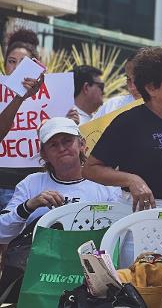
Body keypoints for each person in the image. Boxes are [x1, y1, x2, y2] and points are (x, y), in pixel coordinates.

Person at [0, 118, 120, 302]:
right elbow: (2, 232)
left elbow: (119, 235)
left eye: (67, 141)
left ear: (82, 145)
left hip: (91, 278)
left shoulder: (107, 184)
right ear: (44, 154)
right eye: (53, 145)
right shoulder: (31, 183)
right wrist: (30, 206)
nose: (62, 148)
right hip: (37, 276)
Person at [83, 46, 162, 212]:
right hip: (144, 215)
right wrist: (131, 180)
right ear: (151, 87)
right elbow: (90, 169)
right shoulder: (129, 122)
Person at [0, 29, 44, 209]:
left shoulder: (53, 93)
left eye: (23, 63)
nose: (17, 68)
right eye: (11, 61)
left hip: (29, 187)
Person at [93, 54, 142, 118]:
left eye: (138, 80)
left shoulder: (158, 111)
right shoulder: (113, 105)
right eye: (129, 79)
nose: (132, 87)